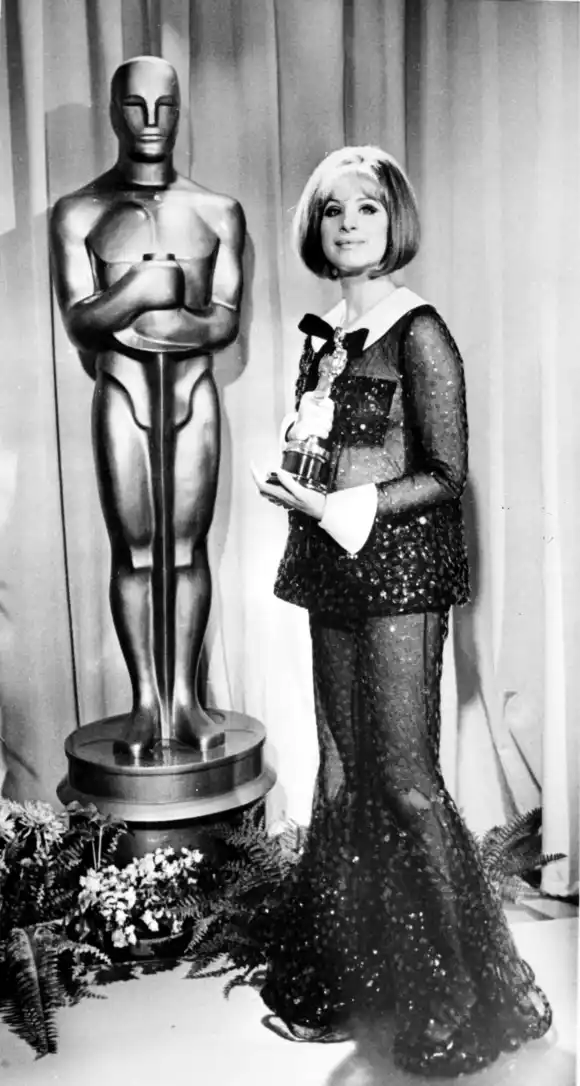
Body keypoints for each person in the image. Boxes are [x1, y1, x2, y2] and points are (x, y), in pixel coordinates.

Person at [253, 146, 552, 1077]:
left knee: (406, 778)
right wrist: (297, 481)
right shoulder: (326, 337)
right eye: (333, 210)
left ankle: (455, 994)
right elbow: (332, 451)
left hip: (399, 577)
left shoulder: (419, 331)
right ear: (316, 228)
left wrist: (340, 504)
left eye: (368, 210)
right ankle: (360, 978)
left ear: (395, 225)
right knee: (341, 774)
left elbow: (446, 474)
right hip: (328, 571)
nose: (349, 224)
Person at [50, 56, 246, 759]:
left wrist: (128, 312)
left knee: (188, 547)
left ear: (181, 109)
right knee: (133, 550)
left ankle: (185, 700)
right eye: (136, 106)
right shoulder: (79, 212)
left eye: (165, 106)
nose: (152, 122)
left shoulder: (217, 211)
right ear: (113, 111)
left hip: (192, 391)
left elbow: (222, 322)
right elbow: (80, 321)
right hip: (123, 391)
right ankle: (143, 702)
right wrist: (142, 293)